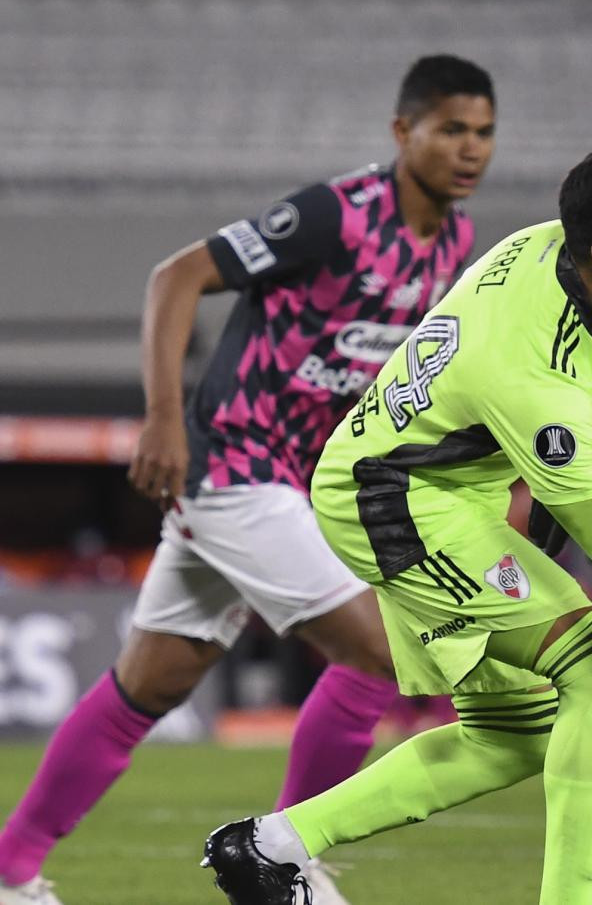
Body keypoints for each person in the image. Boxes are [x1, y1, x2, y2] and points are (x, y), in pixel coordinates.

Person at [198, 143, 592, 905]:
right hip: (397, 503)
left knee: (514, 737)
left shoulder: (560, 254)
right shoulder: (534, 372)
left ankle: (269, 846)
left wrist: (526, 553)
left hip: (436, 489)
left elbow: (541, 465)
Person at [0, 54, 496, 905]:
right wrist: (162, 415)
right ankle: (283, 862)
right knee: (382, 652)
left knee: (148, 684)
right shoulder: (332, 215)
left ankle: (7, 871)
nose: (471, 148)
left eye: (484, 132)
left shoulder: (451, 241)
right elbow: (177, 276)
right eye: (451, 128)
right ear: (402, 130)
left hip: (293, 485)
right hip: (234, 465)